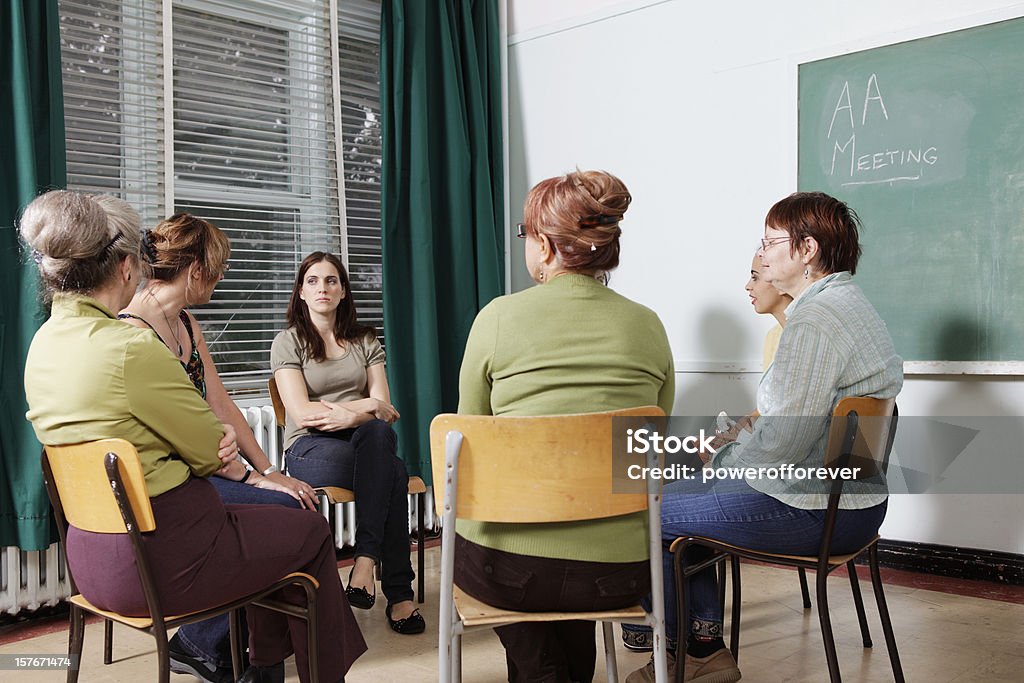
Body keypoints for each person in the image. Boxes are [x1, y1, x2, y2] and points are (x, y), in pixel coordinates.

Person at [21, 191, 366, 683]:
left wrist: (245, 465)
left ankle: (257, 669)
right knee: (308, 531)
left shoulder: (44, 343)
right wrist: (226, 458)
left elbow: (207, 438)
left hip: (92, 559)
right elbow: (210, 447)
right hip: (166, 559)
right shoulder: (130, 346)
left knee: (275, 520)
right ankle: (296, 672)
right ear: (123, 268)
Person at [627, 191, 903, 683]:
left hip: (815, 511)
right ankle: (702, 645)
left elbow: (781, 446)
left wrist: (717, 463)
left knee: (637, 512)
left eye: (771, 241)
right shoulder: (850, 305)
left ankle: (689, 655)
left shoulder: (816, 321)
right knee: (679, 498)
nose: (763, 251)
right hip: (854, 506)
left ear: (808, 250)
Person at [456, 169, 675, 683]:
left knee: (506, 549)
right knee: (571, 567)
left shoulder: (497, 318)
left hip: (509, 572)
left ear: (549, 246)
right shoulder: (648, 324)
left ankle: (543, 673)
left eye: (527, 235)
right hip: (620, 570)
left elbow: (465, 438)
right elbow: (648, 447)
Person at [118, 212, 320, 682]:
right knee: (286, 516)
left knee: (289, 500)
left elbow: (221, 403)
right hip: (178, 482)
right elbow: (172, 435)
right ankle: (222, 648)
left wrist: (270, 471)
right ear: (195, 272)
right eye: (219, 270)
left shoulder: (186, 323)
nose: (221, 280)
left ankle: (226, 649)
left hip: (209, 470)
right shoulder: (132, 334)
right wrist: (253, 479)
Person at [620, 250, 794, 655]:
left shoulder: (804, 339)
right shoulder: (775, 337)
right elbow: (769, 411)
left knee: (667, 502)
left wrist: (727, 454)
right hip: (774, 469)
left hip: (782, 484)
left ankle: (680, 636)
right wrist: (731, 435)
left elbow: (785, 430)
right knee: (683, 485)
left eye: (755, 277)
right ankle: (700, 628)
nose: (748, 287)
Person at [271, 252, 424, 635]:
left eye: (331, 281)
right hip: (310, 447)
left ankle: (365, 562)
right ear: (301, 293)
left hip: (363, 441)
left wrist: (356, 415)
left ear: (343, 291)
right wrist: (365, 406)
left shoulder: (365, 340)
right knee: (393, 469)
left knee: (378, 438)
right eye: (313, 281)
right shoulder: (288, 342)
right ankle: (398, 592)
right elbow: (302, 413)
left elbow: (385, 411)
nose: (323, 288)